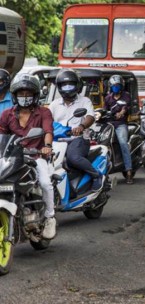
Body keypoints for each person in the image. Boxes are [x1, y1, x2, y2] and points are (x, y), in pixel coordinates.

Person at [0, 73, 56, 239]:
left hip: (36, 156)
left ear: (35, 95)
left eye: (28, 94)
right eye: (21, 94)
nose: (25, 97)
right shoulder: (7, 114)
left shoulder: (43, 112)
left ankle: (49, 216)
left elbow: (47, 131)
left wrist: (46, 147)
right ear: (15, 96)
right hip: (13, 157)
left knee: (46, 183)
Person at [49, 69, 102, 191]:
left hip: (78, 139)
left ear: (77, 85)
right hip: (57, 141)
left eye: (70, 84)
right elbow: (46, 120)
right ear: (59, 87)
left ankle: (96, 175)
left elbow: (90, 117)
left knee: (73, 158)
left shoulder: (85, 101)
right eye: (64, 85)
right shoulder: (54, 104)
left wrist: (81, 127)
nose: (67, 88)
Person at [104, 75, 133, 184]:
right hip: (109, 125)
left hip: (121, 124)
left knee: (123, 144)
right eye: (114, 86)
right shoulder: (108, 98)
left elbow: (126, 107)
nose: (115, 87)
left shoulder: (126, 96)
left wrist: (122, 112)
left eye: (117, 85)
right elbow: (104, 110)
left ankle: (129, 171)